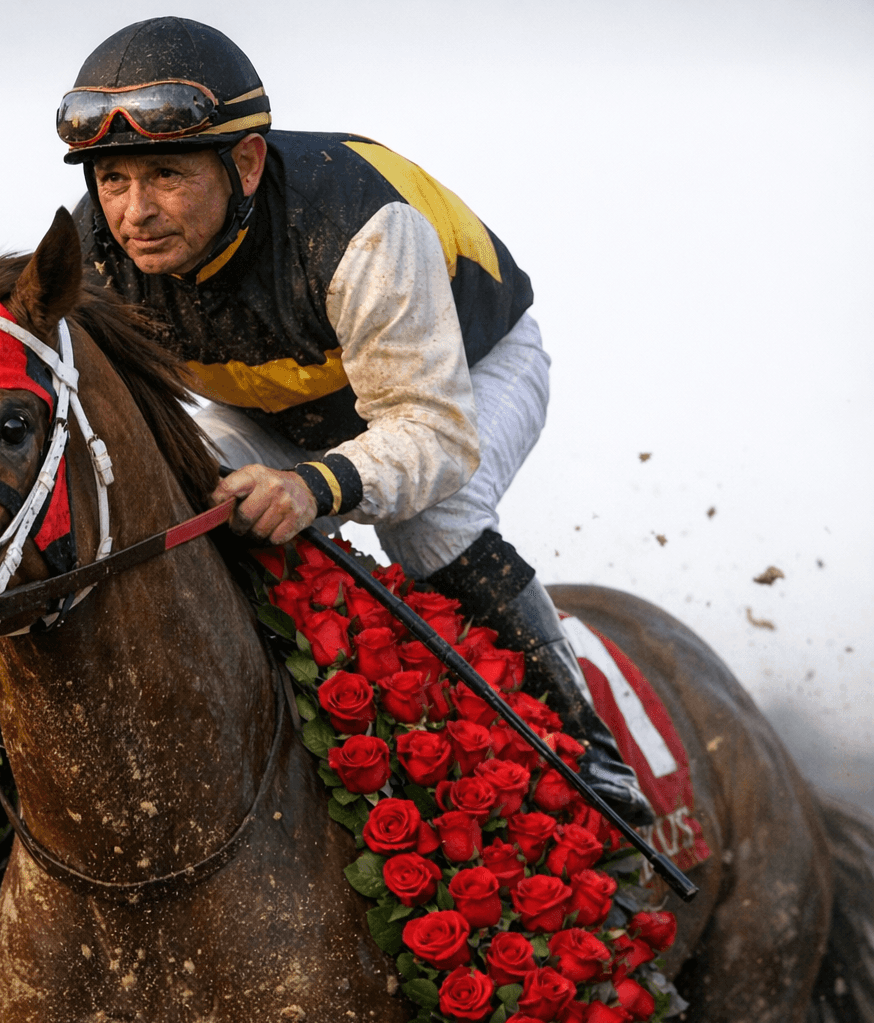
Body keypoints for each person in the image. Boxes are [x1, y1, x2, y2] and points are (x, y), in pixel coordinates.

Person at [56, 17, 652, 825]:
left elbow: (430, 434)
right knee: (180, 500)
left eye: (164, 173)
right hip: (274, 405)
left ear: (247, 161)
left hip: (467, 373)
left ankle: (584, 749)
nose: (135, 212)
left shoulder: (361, 227)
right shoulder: (91, 253)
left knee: (430, 520)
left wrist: (314, 487)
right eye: (113, 180)